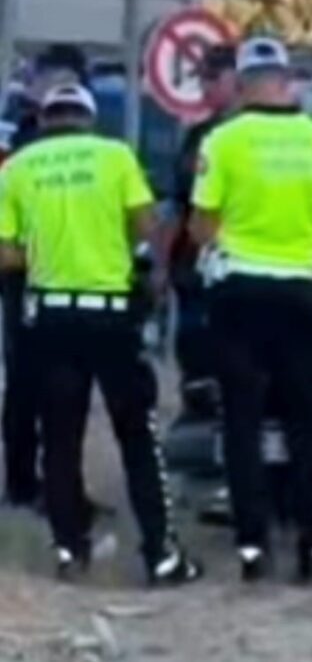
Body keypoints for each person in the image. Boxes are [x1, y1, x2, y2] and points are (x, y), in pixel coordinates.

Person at [0, 83, 202, 584]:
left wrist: (44, 254)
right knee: (137, 433)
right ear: (89, 120)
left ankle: (70, 550)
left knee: (61, 437)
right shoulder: (115, 157)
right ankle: (161, 554)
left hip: (50, 319)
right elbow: (145, 224)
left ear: (45, 121)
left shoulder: (18, 168)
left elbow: (5, 252)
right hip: (111, 318)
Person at [190, 36, 312, 587]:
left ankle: (253, 548)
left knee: (242, 423)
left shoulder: (223, 139)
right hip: (297, 296)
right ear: (289, 81)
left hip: (238, 293)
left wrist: (214, 248)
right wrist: (307, 247)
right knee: (305, 423)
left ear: (240, 84)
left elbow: (201, 224)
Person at [1, 43, 91, 507]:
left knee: (66, 392)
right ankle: (21, 481)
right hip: (26, 278)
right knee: (24, 385)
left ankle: (61, 486)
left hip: (77, 281)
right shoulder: (15, 139)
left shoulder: (91, 142)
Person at [157, 44, 238, 411]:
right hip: (195, 272)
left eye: (212, 77)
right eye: (201, 77)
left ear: (238, 78)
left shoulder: (258, 135)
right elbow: (178, 205)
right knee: (197, 368)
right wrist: (162, 264)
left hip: (242, 273)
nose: (204, 87)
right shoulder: (197, 136)